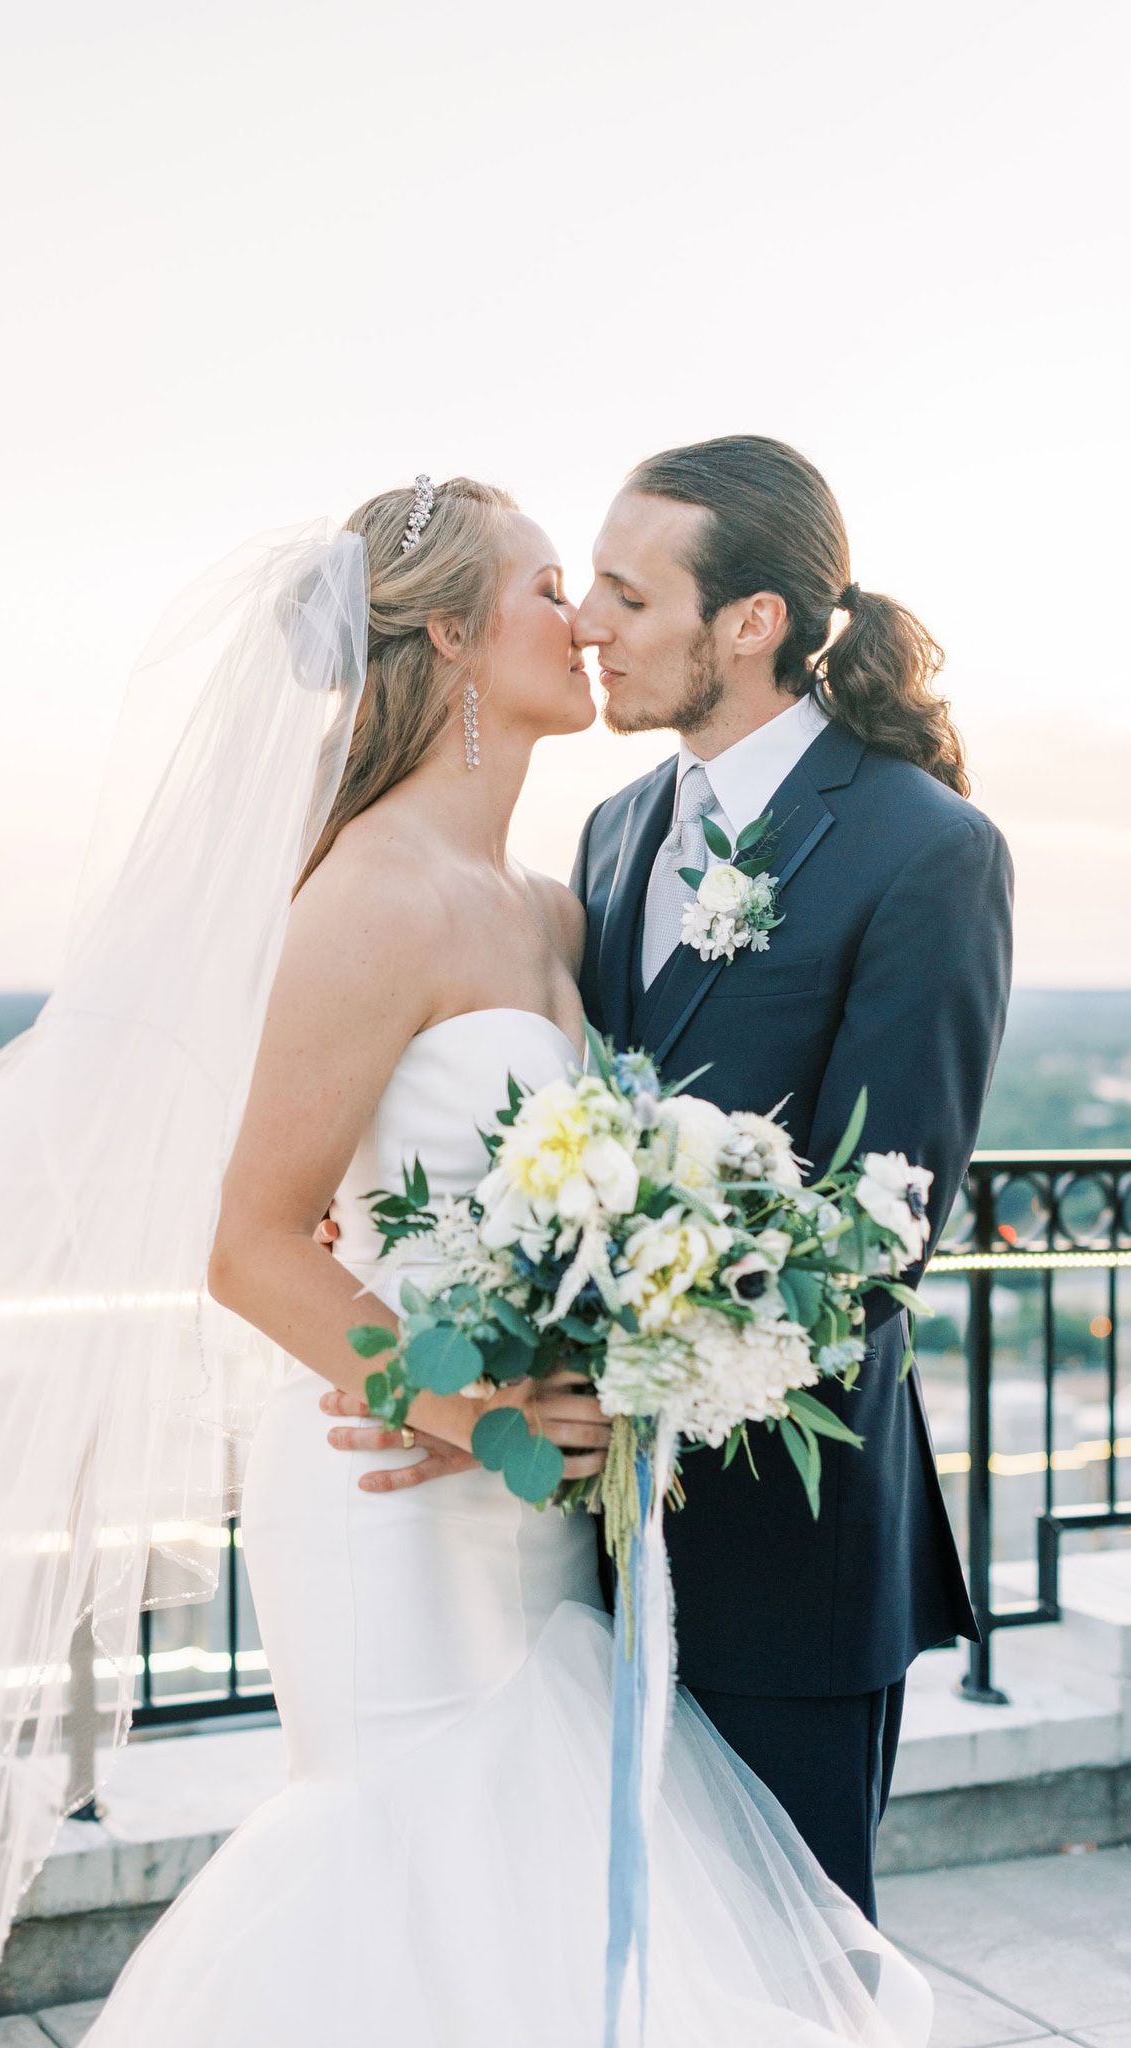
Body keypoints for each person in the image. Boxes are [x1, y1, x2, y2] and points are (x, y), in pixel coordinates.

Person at [0, 474, 930, 2048]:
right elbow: (245, 1236)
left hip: (532, 1523)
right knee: (410, 1891)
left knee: (537, 1919)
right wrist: (469, 1412)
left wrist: (567, 1371)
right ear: (447, 636)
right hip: (392, 1503)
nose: (582, 620)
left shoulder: (553, 903)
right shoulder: (370, 896)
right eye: (546, 588)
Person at [324, 438, 1013, 1929]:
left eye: (628, 597)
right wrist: (478, 1374)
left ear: (750, 623)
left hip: (784, 1563)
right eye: (584, 588)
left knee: (783, 1979)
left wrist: (572, 1406)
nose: (589, 625)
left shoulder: (926, 849)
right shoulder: (617, 830)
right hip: (568, 1567)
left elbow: (875, 1241)